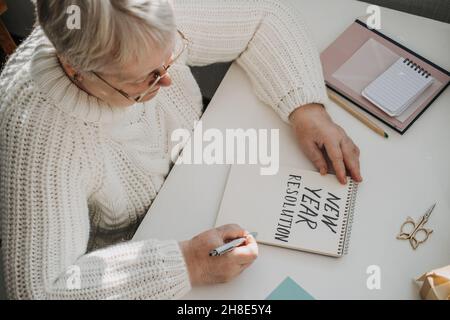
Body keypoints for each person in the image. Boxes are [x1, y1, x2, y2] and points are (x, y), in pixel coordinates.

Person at [0, 0, 361, 299]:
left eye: (170, 54)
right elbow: (39, 291)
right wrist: (189, 263)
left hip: (204, 176)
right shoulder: (36, 137)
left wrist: (305, 108)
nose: (168, 78)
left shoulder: (135, 12)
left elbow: (263, 13)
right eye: (147, 78)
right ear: (76, 69)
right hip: (139, 248)